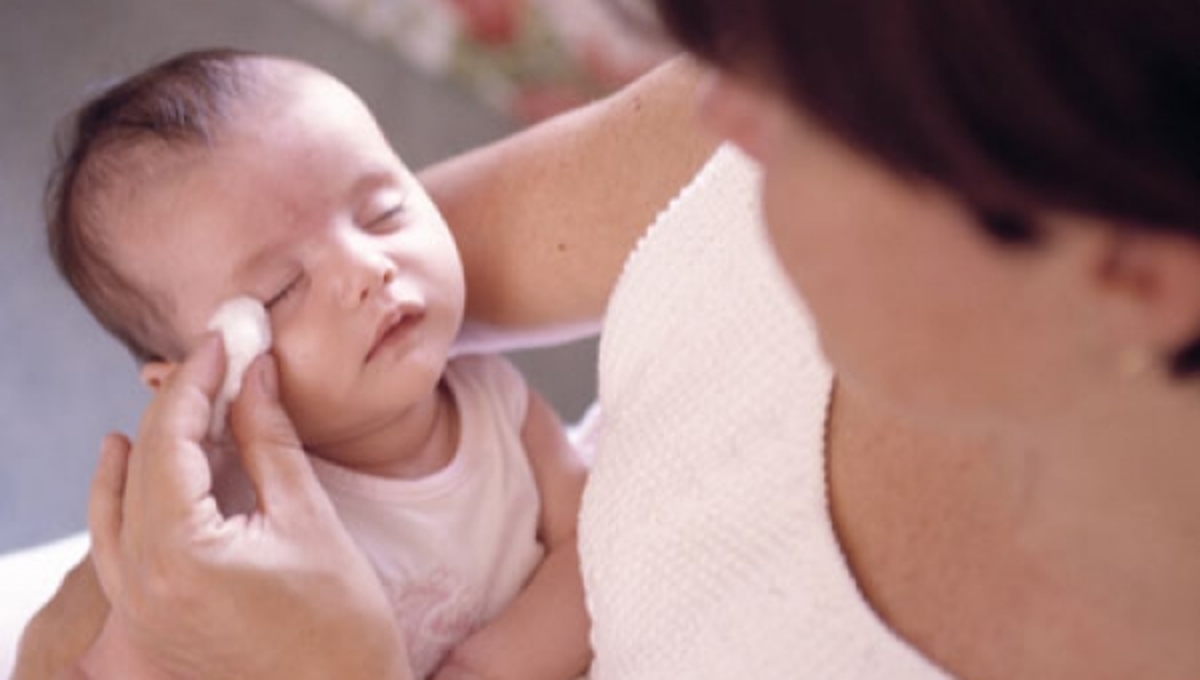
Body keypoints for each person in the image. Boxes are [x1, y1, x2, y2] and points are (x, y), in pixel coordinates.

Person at [17, 0, 1200, 677]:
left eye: (383, 210)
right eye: (275, 289)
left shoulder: (486, 410)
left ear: (1133, 267)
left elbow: (578, 528)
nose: (713, 115)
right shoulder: (229, 504)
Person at [32, 48, 593, 680]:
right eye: (280, 290)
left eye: (383, 211)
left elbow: (595, 546)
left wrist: (484, 667)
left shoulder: (490, 395)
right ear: (196, 382)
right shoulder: (224, 533)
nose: (365, 269)